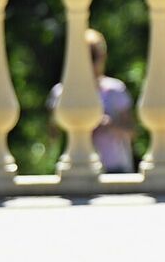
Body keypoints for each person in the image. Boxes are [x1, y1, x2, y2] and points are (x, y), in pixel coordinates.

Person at [46, 28, 136, 173]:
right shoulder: (60, 92)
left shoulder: (115, 90)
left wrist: (109, 125)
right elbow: (52, 135)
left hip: (114, 168)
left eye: (93, 56)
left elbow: (131, 131)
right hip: (73, 168)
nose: (90, 63)